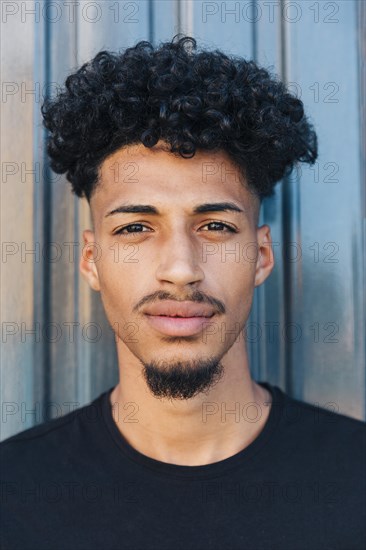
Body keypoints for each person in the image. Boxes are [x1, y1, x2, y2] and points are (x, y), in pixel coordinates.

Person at [1, 35, 365, 550]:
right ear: (91, 260)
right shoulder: (13, 498)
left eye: (215, 226)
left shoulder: (355, 484)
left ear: (261, 256)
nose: (179, 269)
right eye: (135, 228)